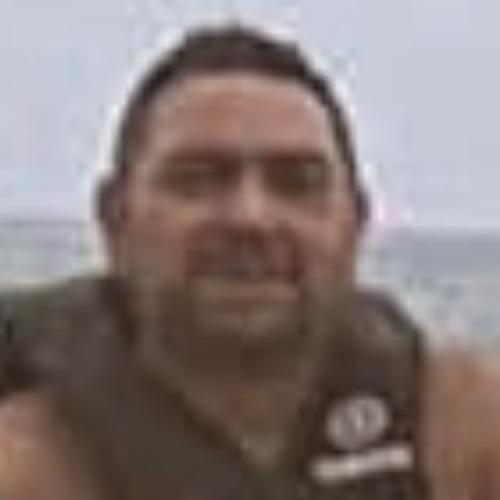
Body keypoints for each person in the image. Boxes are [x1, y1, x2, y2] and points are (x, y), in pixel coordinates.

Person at [0, 24, 499, 500]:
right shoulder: (28, 468)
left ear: (356, 224)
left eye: (297, 182)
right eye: (198, 179)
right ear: (115, 221)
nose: (250, 218)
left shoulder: (464, 435)